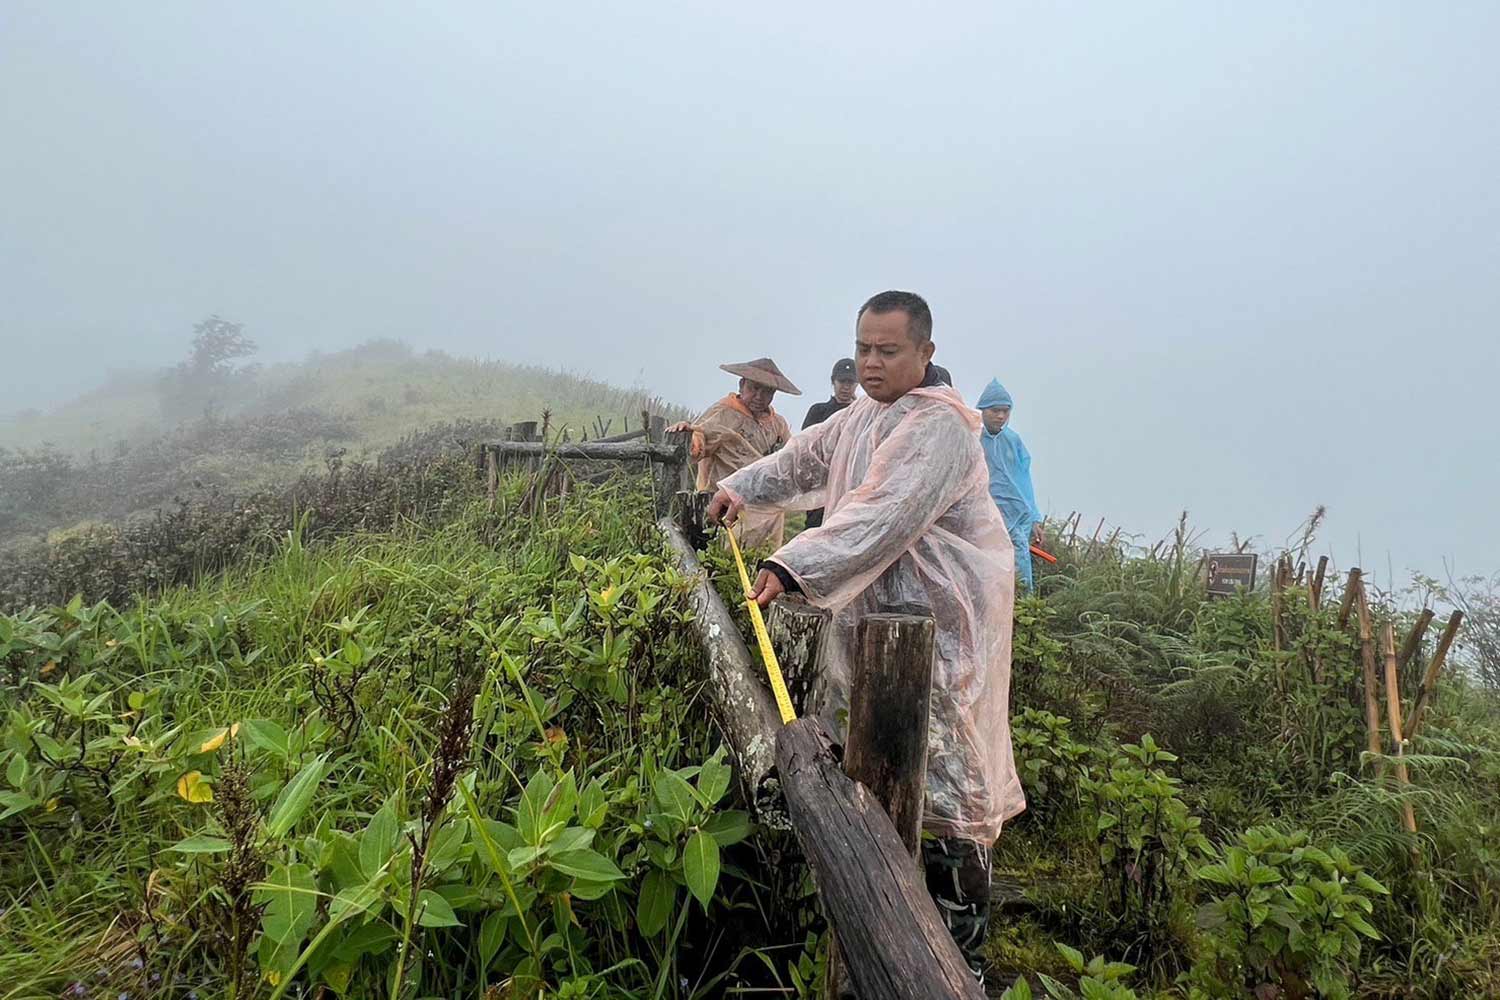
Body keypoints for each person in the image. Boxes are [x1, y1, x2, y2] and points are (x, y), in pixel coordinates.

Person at [706, 291, 1022, 984]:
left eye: (888, 351)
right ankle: (884, 913)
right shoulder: (862, 417)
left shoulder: (938, 429)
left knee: (951, 783)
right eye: (864, 349)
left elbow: (881, 515)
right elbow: (800, 462)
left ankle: (958, 958)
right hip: (880, 635)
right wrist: (739, 486)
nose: (871, 363)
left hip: (941, 639)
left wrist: (792, 563)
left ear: (925, 354)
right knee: (887, 766)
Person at [669, 357, 800, 548]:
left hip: (765, 508)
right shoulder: (724, 413)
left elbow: (791, 457)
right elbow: (700, 438)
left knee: (763, 560)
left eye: (767, 391)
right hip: (722, 503)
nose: (759, 396)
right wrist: (688, 434)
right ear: (742, 385)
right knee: (721, 558)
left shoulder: (777, 424)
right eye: (754, 388)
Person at [977, 378, 1043, 590]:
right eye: (995, 410)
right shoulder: (972, 437)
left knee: (1019, 565)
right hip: (984, 515)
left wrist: (1034, 518)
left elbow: (1024, 480)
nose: (1000, 416)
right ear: (983, 410)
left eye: (1005, 411)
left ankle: (1025, 610)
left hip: (1016, 515)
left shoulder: (1012, 441)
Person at [799, 358, 859, 528]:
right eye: (842, 381)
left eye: (851, 382)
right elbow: (805, 447)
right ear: (833, 381)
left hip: (850, 486)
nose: (846, 387)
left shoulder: (861, 413)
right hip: (820, 486)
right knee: (814, 530)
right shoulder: (818, 411)